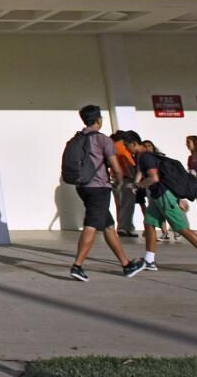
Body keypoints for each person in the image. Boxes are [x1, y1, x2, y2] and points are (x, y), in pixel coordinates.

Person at [126, 132, 197, 276]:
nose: (126, 148)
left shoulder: (146, 157)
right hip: (157, 197)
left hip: (163, 196)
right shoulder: (145, 156)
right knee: (149, 223)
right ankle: (149, 260)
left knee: (182, 229)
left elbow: (154, 178)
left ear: (134, 143)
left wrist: (139, 185)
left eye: (126, 145)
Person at [65, 106, 146, 282]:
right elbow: (116, 167)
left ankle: (126, 265)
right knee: (91, 225)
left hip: (83, 187)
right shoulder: (103, 140)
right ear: (99, 120)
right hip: (99, 189)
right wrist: (117, 182)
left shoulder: (77, 139)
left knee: (109, 226)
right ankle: (77, 266)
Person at [110, 131, 139, 237]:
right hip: (125, 179)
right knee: (128, 204)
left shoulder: (111, 146)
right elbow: (128, 162)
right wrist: (134, 177)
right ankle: (124, 228)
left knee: (120, 204)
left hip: (114, 178)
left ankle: (124, 226)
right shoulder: (122, 147)